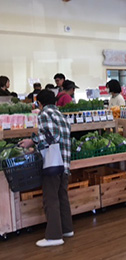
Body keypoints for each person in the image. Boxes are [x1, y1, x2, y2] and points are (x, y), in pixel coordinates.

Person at [19, 90, 73, 247]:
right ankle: (67, 229)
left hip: (52, 163)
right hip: (64, 162)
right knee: (62, 195)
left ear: (40, 103)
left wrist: (33, 141)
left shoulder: (44, 114)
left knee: (51, 198)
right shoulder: (60, 114)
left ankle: (54, 236)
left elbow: (52, 136)